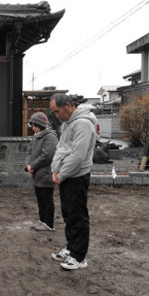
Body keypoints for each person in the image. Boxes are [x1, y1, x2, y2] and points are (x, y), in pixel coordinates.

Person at [49, 94, 98, 271]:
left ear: (68, 105)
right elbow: (61, 148)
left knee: (77, 215)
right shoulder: (67, 123)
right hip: (66, 175)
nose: (56, 115)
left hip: (77, 176)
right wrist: (55, 169)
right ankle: (71, 248)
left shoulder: (83, 124)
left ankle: (79, 257)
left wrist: (61, 174)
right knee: (69, 214)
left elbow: (78, 155)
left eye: (57, 111)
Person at [25, 112, 58, 231]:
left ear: (38, 125)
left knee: (47, 199)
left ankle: (49, 224)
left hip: (45, 174)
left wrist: (32, 165)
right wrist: (28, 165)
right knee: (40, 199)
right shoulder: (36, 136)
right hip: (37, 174)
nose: (31, 127)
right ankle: (42, 220)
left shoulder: (50, 137)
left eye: (32, 124)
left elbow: (47, 156)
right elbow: (29, 152)